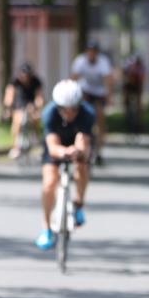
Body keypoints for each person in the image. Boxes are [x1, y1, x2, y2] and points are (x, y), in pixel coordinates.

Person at [34, 80, 96, 251]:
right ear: (57, 106)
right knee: (49, 183)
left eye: (74, 109)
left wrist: (78, 151)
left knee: (82, 167)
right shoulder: (49, 113)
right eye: (64, 109)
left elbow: (84, 142)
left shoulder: (87, 113)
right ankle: (46, 228)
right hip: (57, 146)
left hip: (76, 143)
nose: (69, 113)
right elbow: (52, 147)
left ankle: (79, 205)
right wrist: (63, 151)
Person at [70, 39, 113, 166]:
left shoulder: (103, 62)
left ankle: (99, 151)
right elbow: (74, 78)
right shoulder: (80, 61)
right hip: (85, 91)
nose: (91, 54)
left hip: (99, 92)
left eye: (94, 52)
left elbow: (107, 81)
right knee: (78, 115)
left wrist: (109, 97)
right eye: (89, 51)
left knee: (100, 118)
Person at [3, 62, 45, 159]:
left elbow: (39, 96)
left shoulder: (36, 81)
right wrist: (8, 108)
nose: (25, 77)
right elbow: (9, 95)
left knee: (35, 118)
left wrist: (38, 107)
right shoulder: (14, 81)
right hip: (18, 105)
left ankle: (36, 140)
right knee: (17, 121)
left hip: (31, 104)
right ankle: (15, 147)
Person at [121, 53, 146, 134]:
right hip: (128, 84)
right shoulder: (127, 66)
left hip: (137, 84)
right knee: (125, 98)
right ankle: (125, 112)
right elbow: (123, 77)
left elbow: (142, 79)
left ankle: (139, 120)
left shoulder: (141, 68)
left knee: (139, 101)